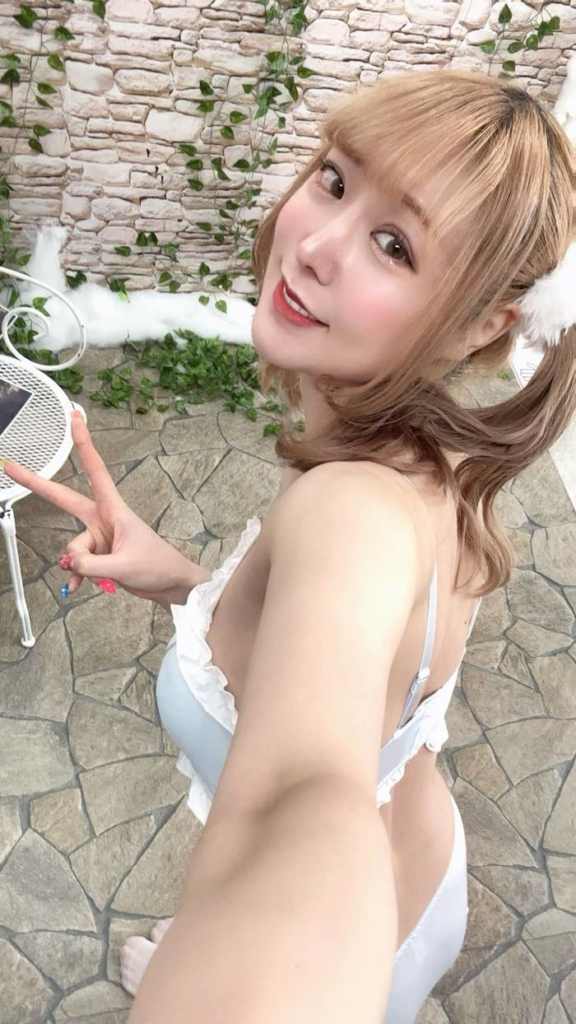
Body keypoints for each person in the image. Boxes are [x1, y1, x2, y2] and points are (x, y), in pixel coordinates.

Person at [2, 68, 574, 1023]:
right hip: (424, 880)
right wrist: (186, 585)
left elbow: (305, 800)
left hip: (370, 952)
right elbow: (344, 664)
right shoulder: (431, 459)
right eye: (336, 180)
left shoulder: (348, 511)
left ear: (483, 323)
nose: (312, 245)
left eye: (395, 245)